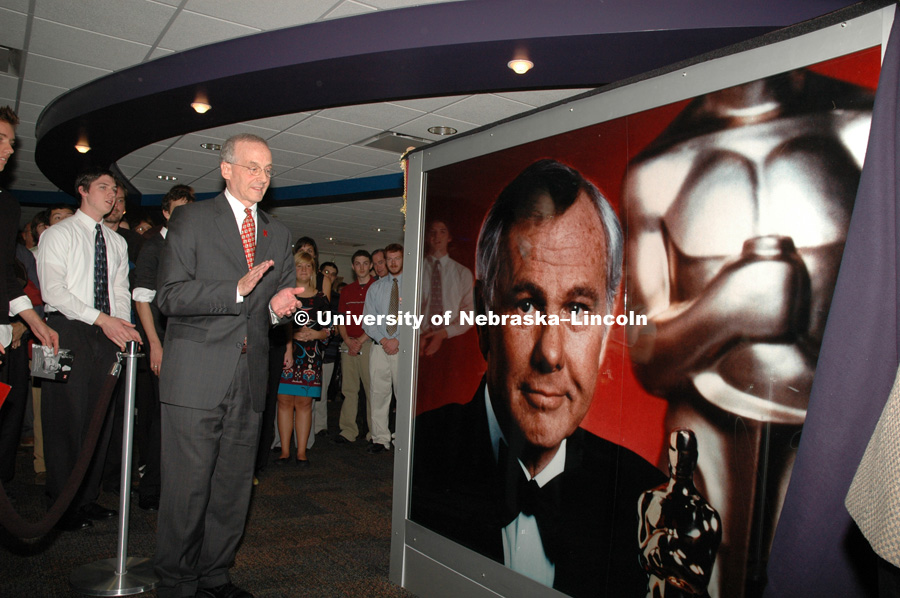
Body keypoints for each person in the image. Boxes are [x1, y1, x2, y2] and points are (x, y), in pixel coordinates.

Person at [623, 70, 872, 596]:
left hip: (829, 430)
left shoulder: (865, 126)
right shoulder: (658, 168)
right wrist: (726, 308)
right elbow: (645, 354)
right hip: (705, 434)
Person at [410, 159, 665, 598]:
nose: (550, 353)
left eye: (579, 309)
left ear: (606, 334)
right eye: (527, 305)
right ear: (483, 317)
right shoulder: (419, 458)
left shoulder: (644, 498)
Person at [154, 133, 303, 598]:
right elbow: (170, 296)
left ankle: (215, 574)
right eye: (253, 167)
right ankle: (177, 582)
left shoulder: (278, 233)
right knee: (187, 490)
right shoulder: (192, 220)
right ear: (226, 169)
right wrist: (234, 290)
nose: (262, 177)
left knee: (234, 488)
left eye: (268, 170)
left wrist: (281, 310)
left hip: (250, 377)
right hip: (196, 378)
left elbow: (276, 310)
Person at [37, 168, 137, 531]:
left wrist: (121, 327)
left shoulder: (117, 242)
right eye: (104, 187)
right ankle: (62, 502)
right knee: (64, 419)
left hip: (106, 334)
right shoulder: (58, 234)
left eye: (115, 190)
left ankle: (87, 498)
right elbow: (53, 292)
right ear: (82, 191)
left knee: (100, 419)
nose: (111, 195)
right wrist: (102, 320)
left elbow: (121, 291)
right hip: (64, 330)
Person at [0, 106, 59, 502]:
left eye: (10, 141)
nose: (9, 149)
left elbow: (4, 273)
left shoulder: (6, 204)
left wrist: (34, 323)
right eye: (2, 139)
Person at [130, 184, 194, 511]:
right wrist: (155, 344)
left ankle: (173, 485)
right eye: (178, 211)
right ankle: (151, 489)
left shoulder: (190, 247)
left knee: (179, 420)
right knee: (157, 420)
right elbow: (142, 299)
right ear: (166, 213)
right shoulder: (153, 247)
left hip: (187, 346)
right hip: (162, 345)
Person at [275, 251, 332, 466]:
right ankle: (284, 451)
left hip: (311, 356)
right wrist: (291, 336)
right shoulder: (284, 295)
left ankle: (301, 452)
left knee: (305, 404)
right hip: (286, 354)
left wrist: (316, 334)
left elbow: (330, 328)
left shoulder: (320, 299)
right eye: (299, 266)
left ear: (313, 271)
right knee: (284, 402)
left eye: (308, 267)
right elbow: (275, 323)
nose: (304, 270)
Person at [362, 243, 404, 454]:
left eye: (397, 258)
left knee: (403, 396)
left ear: (404, 259)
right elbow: (367, 321)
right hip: (379, 348)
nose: (393, 262)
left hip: (403, 349)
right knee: (377, 394)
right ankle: (380, 438)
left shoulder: (414, 284)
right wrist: (384, 340)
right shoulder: (375, 288)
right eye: (389, 259)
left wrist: (398, 339)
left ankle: (402, 438)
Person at [335, 250, 375, 443]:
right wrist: (348, 340)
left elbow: (379, 319)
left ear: (371, 266)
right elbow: (341, 318)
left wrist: (360, 340)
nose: (361, 267)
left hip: (368, 343)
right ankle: (348, 431)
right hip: (348, 342)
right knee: (349, 390)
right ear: (352, 266)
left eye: (365, 263)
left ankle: (373, 433)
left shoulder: (377, 287)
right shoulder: (347, 290)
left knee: (371, 390)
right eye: (357, 263)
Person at [419, 219, 474, 356]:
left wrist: (443, 333)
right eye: (433, 232)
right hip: (419, 341)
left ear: (449, 237)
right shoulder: (416, 270)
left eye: (442, 232)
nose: (437, 237)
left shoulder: (462, 273)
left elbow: (469, 313)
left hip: (452, 343)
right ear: (427, 237)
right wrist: (416, 334)